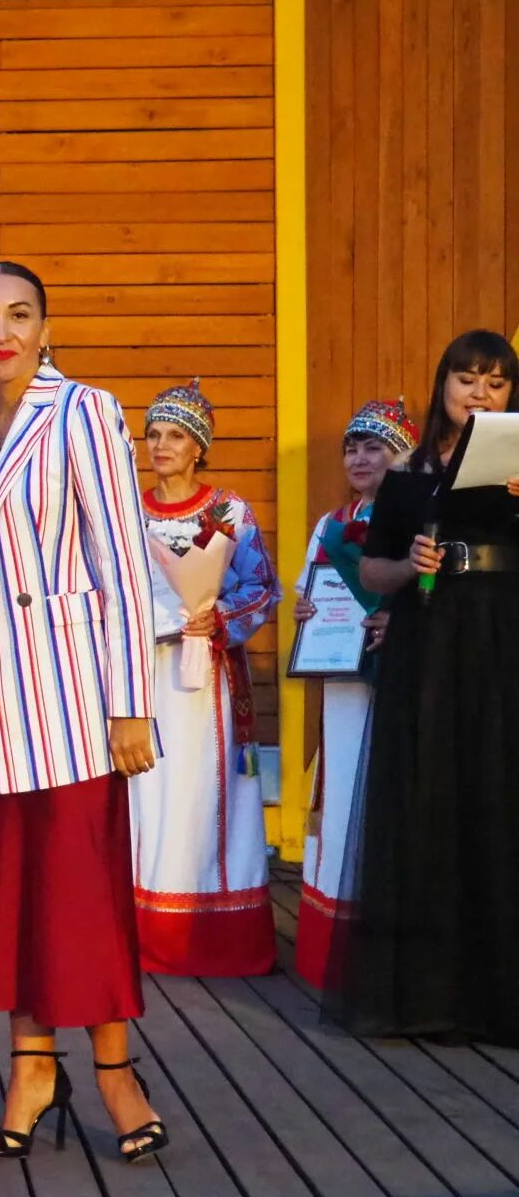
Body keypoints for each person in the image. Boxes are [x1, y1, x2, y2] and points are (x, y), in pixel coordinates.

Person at [0, 260, 167, 1163]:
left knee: (83, 894)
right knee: (13, 896)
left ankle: (116, 1072)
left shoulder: (84, 410)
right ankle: (32, 1068)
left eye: (19, 314)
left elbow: (122, 560)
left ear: (45, 325)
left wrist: (130, 705)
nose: (1, 330)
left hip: (74, 694)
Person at [334, 330, 519, 1043]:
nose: (480, 391)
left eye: (496, 382)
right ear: (443, 382)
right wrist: (412, 564)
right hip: (430, 642)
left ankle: (498, 992)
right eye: (467, 377)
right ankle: (423, 994)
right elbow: (375, 572)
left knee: (497, 792)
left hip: (502, 643)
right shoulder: (409, 475)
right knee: (428, 794)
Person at [129, 380, 279, 977]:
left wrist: (214, 617)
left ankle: (217, 937)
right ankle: (146, 932)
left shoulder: (226, 513)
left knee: (209, 792)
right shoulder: (129, 512)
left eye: (177, 436)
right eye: (155, 434)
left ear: (200, 448)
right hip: (146, 677)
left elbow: (260, 587)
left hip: (209, 680)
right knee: (151, 795)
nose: (162, 446)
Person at [291, 397, 414, 990]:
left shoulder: (418, 514)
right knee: (339, 797)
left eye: (375, 446)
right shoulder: (331, 524)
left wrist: (401, 618)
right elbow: (309, 588)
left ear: (402, 455)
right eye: (353, 447)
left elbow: (433, 585)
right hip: (343, 682)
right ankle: (329, 951)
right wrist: (307, 611)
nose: (361, 458)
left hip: (402, 677)